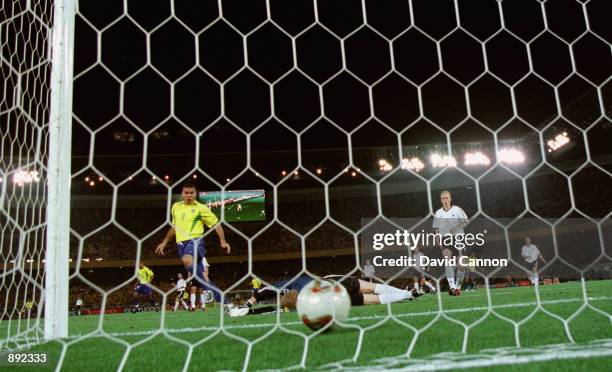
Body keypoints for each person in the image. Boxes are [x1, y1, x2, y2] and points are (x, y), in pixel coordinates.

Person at [155, 183, 230, 304]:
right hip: (181, 244)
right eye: (186, 192)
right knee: (204, 277)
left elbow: (216, 224)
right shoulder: (176, 207)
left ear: (195, 194)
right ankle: (227, 304)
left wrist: (223, 240)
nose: (189, 195)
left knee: (187, 260)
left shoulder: (201, 208)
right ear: (182, 194)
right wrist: (164, 242)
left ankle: (206, 291)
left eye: (191, 192)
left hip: (196, 241)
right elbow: (174, 227)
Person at [227, 275, 421, 317]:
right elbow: (265, 296)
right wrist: (247, 307)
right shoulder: (290, 289)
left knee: (373, 299)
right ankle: (407, 293)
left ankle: (407, 294)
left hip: (334, 296)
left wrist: (245, 308)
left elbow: (265, 302)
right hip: (335, 283)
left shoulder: (297, 302)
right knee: (372, 288)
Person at [433, 190, 468, 296]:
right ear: (440, 200)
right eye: (443, 198)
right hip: (446, 239)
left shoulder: (457, 209)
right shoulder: (438, 213)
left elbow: (466, 221)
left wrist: (456, 228)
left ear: (450, 199)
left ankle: (458, 287)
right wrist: (438, 239)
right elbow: (436, 228)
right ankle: (452, 287)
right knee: (447, 258)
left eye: (447, 198)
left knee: (461, 265)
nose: (445, 200)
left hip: (459, 238)